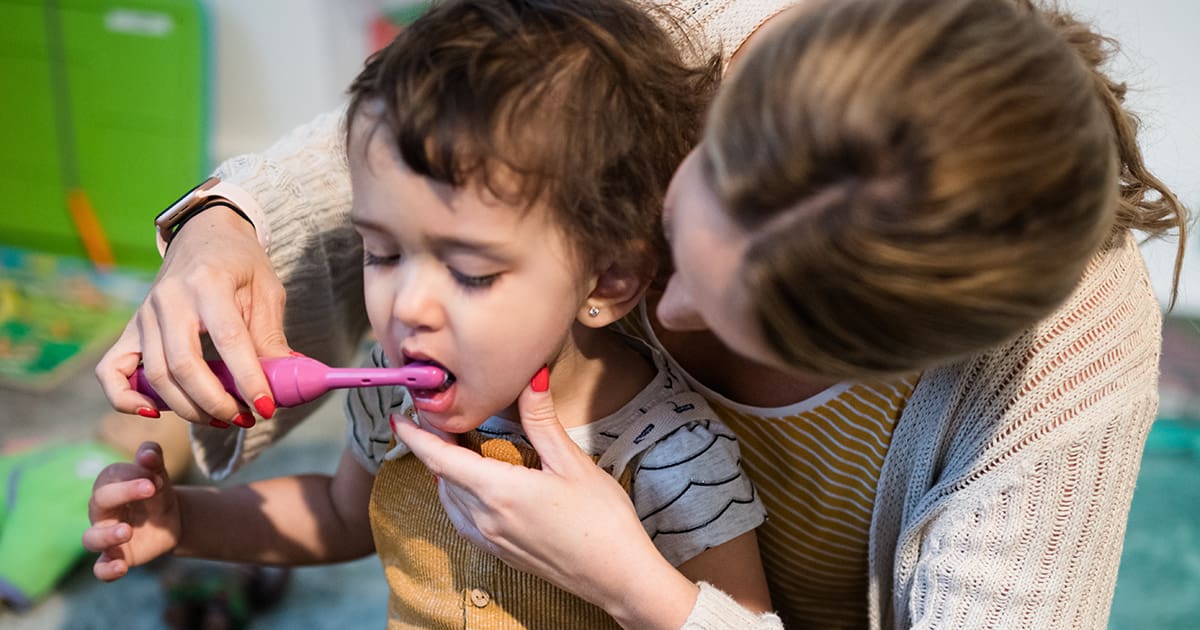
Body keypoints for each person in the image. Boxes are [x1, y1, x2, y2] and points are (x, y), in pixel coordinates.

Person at [94, 0, 1190, 627]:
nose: (662, 316)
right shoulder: (400, 392)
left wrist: (633, 585)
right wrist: (222, 225)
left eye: (723, 309)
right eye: (386, 255)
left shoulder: (673, 449)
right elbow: (434, 156)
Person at [83, 1, 773, 627]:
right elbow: (340, 512)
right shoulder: (390, 382)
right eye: (381, 254)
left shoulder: (671, 455)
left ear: (611, 279)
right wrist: (183, 520)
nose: (407, 307)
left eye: (472, 273)